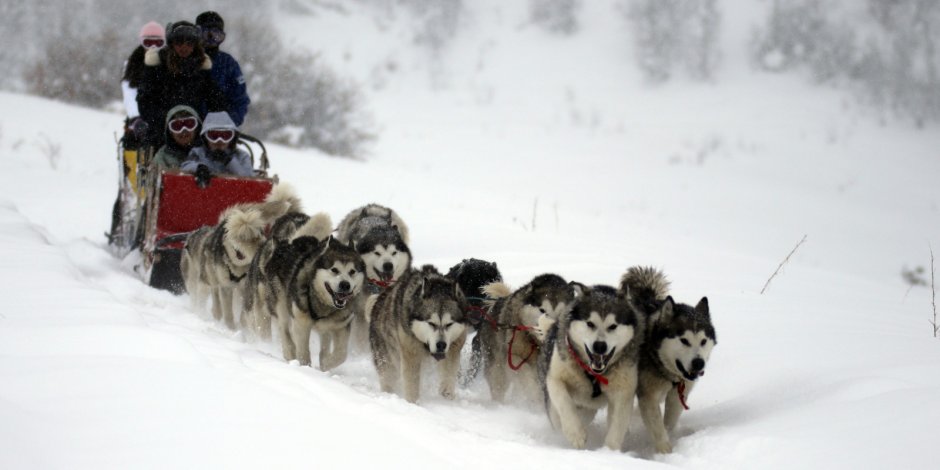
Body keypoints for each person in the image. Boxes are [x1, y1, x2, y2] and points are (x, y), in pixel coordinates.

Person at [137, 21, 227, 150]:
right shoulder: (157, 68)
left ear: (195, 45)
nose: (184, 47)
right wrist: (166, 123)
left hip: (195, 134)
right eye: (179, 42)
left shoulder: (201, 70)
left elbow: (216, 102)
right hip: (161, 135)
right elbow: (145, 102)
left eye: (189, 43)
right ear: (171, 44)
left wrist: (210, 125)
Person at [195, 11, 250, 127]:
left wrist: (228, 123)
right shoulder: (188, 60)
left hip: (219, 131)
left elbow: (240, 100)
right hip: (190, 129)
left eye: (216, 36)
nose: (211, 40)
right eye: (206, 35)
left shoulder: (228, 63)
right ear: (198, 34)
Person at [122, 21, 165, 146]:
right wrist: (136, 117)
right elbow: (129, 92)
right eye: (148, 43)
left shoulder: (168, 61)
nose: (152, 47)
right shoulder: (132, 64)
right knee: (132, 144)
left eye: (158, 43)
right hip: (139, 118)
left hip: (162, 116)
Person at [181, 111, 253, 186]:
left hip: (233, 191)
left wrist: (230, 162)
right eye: (214, 136)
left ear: (232, 139)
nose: (219, 141)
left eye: (225, 136)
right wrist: (199, 168)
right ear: (205, 138)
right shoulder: (197, 153)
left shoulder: (241, 156)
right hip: (205, 191)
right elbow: (185, 167)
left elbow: (250, 181)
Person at [152, 105, 202, 170]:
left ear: (197, 128)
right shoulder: (162, 156)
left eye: (189, 124)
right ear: (170, 132)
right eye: (177, 126)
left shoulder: (207, 153)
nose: (184, 131)